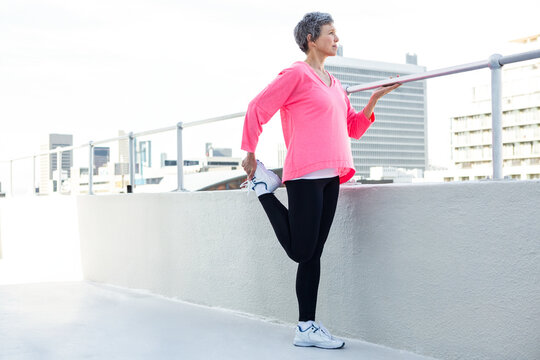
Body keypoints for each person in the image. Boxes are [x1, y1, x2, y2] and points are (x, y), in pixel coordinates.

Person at [240, 12, 400, 349]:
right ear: (312, 39)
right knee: (302, 251)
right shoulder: (296, 74)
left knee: (313, 255)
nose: (336, 39)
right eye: (331, 33)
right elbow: (258, 107)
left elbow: (352, 128)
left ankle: (306, 327)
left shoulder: (335, 84)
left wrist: (374, 100)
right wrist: (251, 152)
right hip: (304, 174)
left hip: (332, 175)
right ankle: (264, 191)